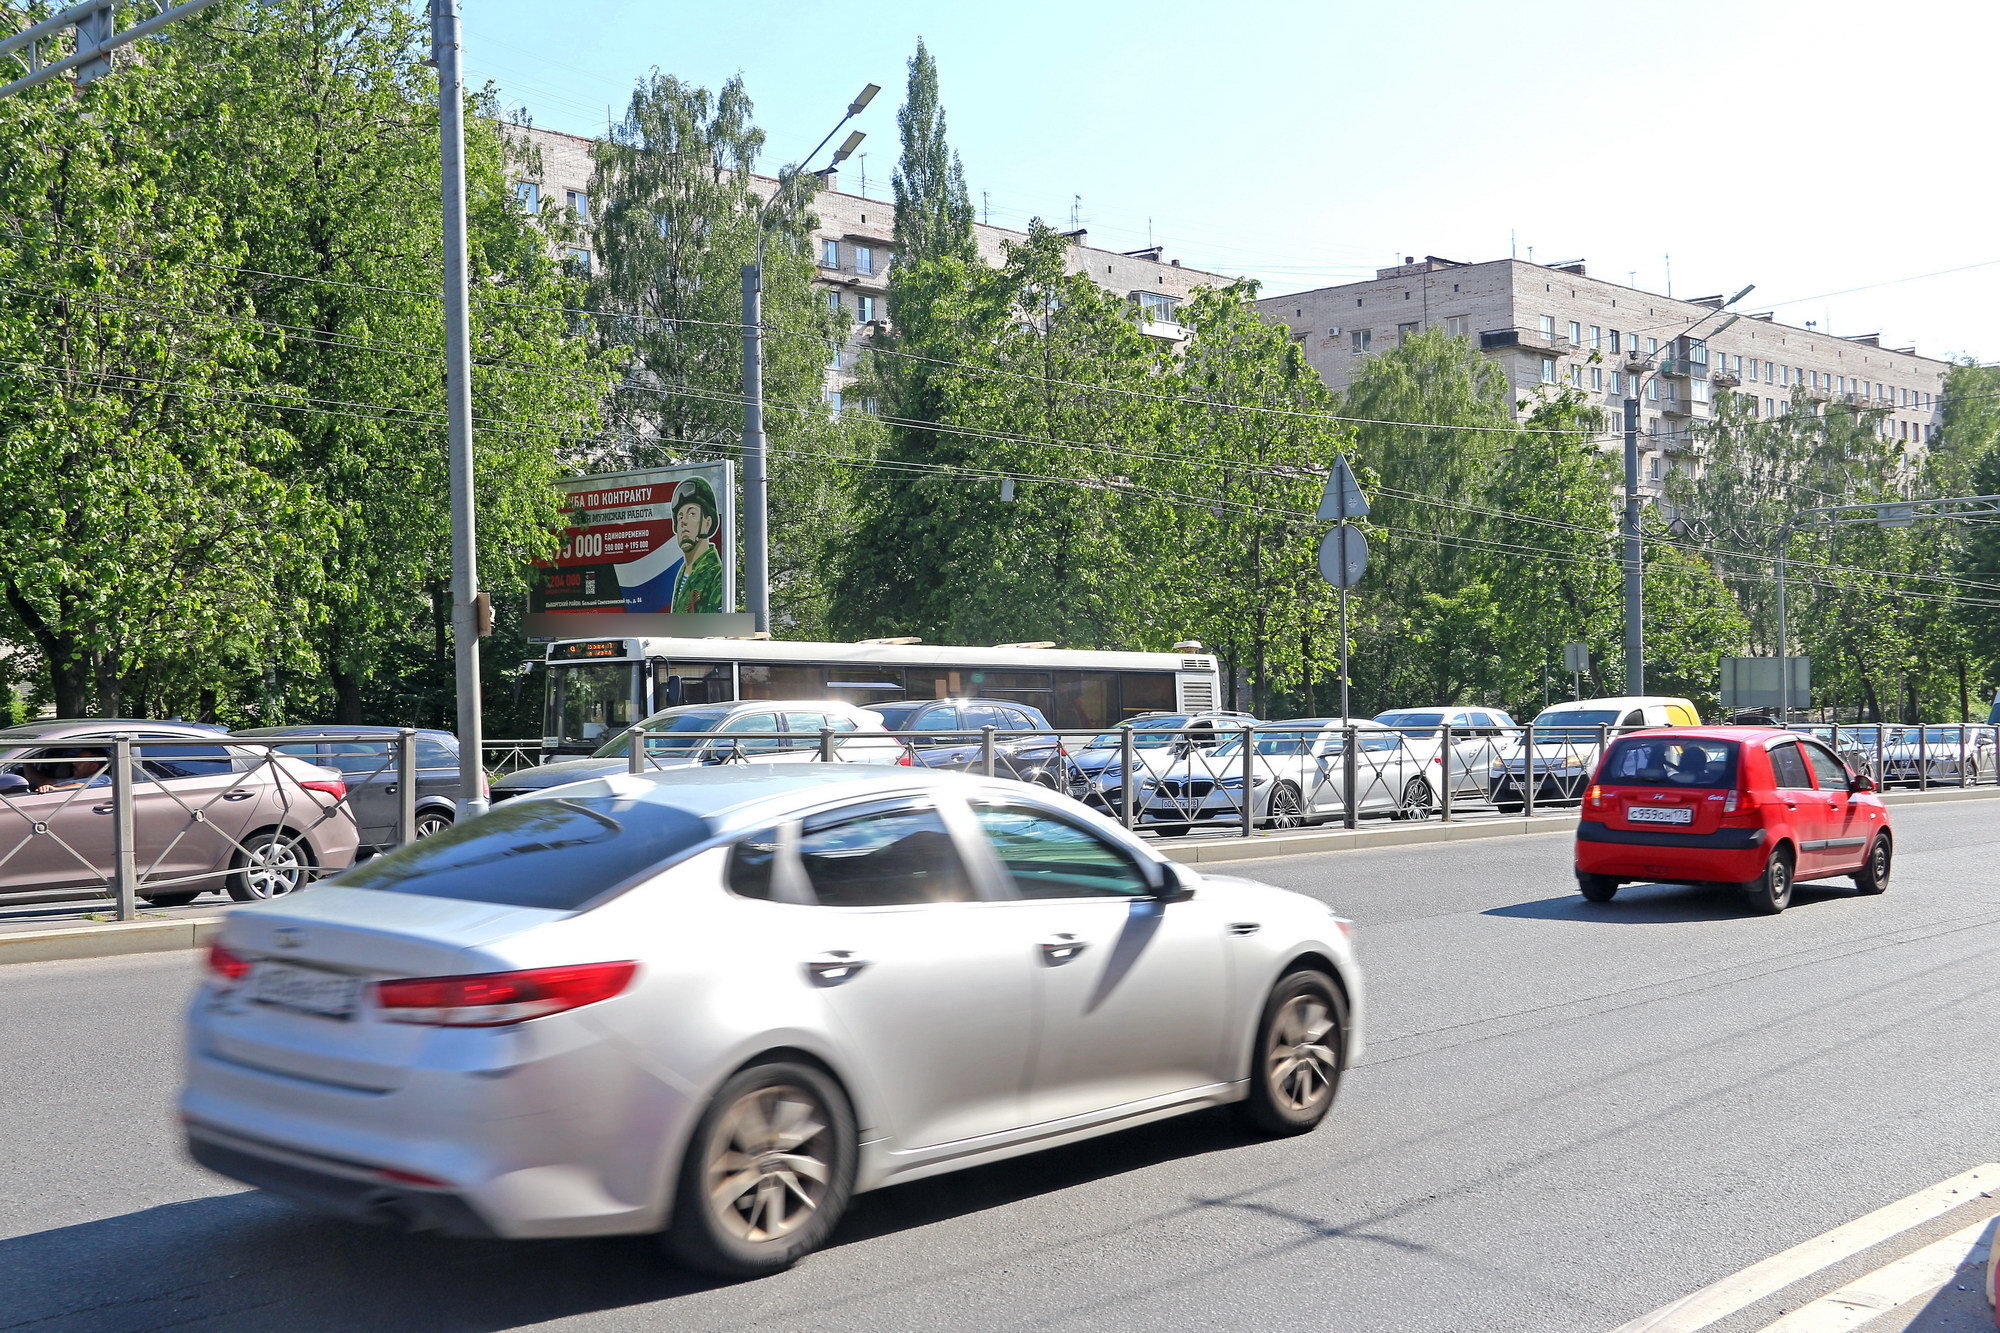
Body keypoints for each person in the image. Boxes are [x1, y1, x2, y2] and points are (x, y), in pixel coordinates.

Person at [669, 476, 726, 614]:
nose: (683, 522)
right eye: (680, 517)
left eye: (692, 514)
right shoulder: (683, 573)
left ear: (707, 523)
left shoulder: (716, 575)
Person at [27, 748, 109, 794]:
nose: (74, 763)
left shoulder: (104, 779)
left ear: (93, 766)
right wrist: (26, 763)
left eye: (80, 760)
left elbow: (83, 785)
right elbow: (43, 782)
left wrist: (55, 789)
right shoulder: (74, 779)